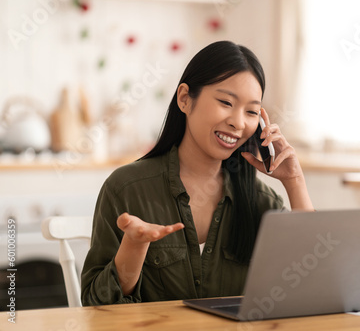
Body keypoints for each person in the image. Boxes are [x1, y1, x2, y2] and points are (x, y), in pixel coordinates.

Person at [81, 40, 314, 305]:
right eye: (226, 102)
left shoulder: (261, 201)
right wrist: (133, 247)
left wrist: (295, 182)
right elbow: (94, 307)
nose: (238, 122)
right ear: (184, 99)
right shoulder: (126, 189)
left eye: (251, 111)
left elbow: (314, 282)